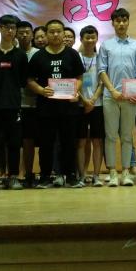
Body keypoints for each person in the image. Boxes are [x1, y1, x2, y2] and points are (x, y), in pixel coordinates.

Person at [26, 19, 85, 188]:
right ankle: (45, 176)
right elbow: (29, 80)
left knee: (69, 142)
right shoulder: (38, 56)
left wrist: (75, 90)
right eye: (51, 31)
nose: (55, 34)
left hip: (69, 108)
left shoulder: (72, 54)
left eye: (59, 31)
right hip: (46, 108)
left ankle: (71, 176)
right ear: (46, 34)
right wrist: (40, 90)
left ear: (63, 33)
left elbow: (79, 77)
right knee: (46, 143)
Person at [98, 8, 136, 187]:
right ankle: (112, 173)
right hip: (110, 97)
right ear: (113, 23)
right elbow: (102, 71)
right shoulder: (106, 45)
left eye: (124, 20)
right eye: (118, 21)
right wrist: (112, 91)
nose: (121, 24)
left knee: (126, 136)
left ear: (128, 22)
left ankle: (125, 173)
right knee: (110, 136)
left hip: (129, 98)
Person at [0, 15, 27, 190]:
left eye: (13, 28)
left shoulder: (20, 55)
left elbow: (23, 81)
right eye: (6, 27)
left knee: (14, 143)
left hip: (14, 106)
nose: (10, 31)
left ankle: (13, 176)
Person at [76, 25, 104, 186]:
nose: (90, 40)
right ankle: (81, 175)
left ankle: (96, 176)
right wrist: (84, 100)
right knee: (80, 141)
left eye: (93, 37)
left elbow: (102, 82)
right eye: (87, 37)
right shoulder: (76, 57)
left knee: (97, 141)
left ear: (97, 39)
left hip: (97, 105)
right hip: (79, 105)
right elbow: (73, 82)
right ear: (81, 39)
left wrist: (93, 99)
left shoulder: (100, 58)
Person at [15, 19, 39, 186]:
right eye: (21, 32)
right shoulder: (12, 53)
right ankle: (14, 174)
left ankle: (30, 173)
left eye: (27, 32)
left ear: (32, 35)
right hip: (14, 104)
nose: (24, 35)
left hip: (35, 104)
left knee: (30, 141)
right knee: (14, 142)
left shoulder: (39, 54)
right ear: (16, 35)